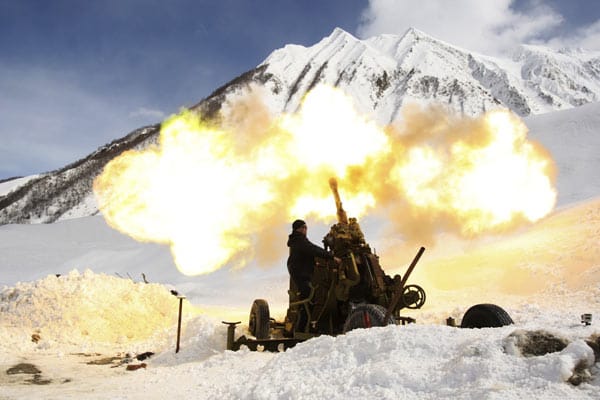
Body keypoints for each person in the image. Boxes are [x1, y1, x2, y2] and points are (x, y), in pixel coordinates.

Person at [286, 219, 341, 300]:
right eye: (304, 227)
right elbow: (313, 249)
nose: (305, 230)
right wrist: (331, 256)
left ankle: (304, 310)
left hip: (299, 270)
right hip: (300, 271)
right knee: (308, 294)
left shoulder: (297, 240)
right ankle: (304, 312)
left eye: (306, 228)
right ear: (298, 229)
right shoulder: (299, 240)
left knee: (307, 293)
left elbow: (304, 255)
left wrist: (314, 263)